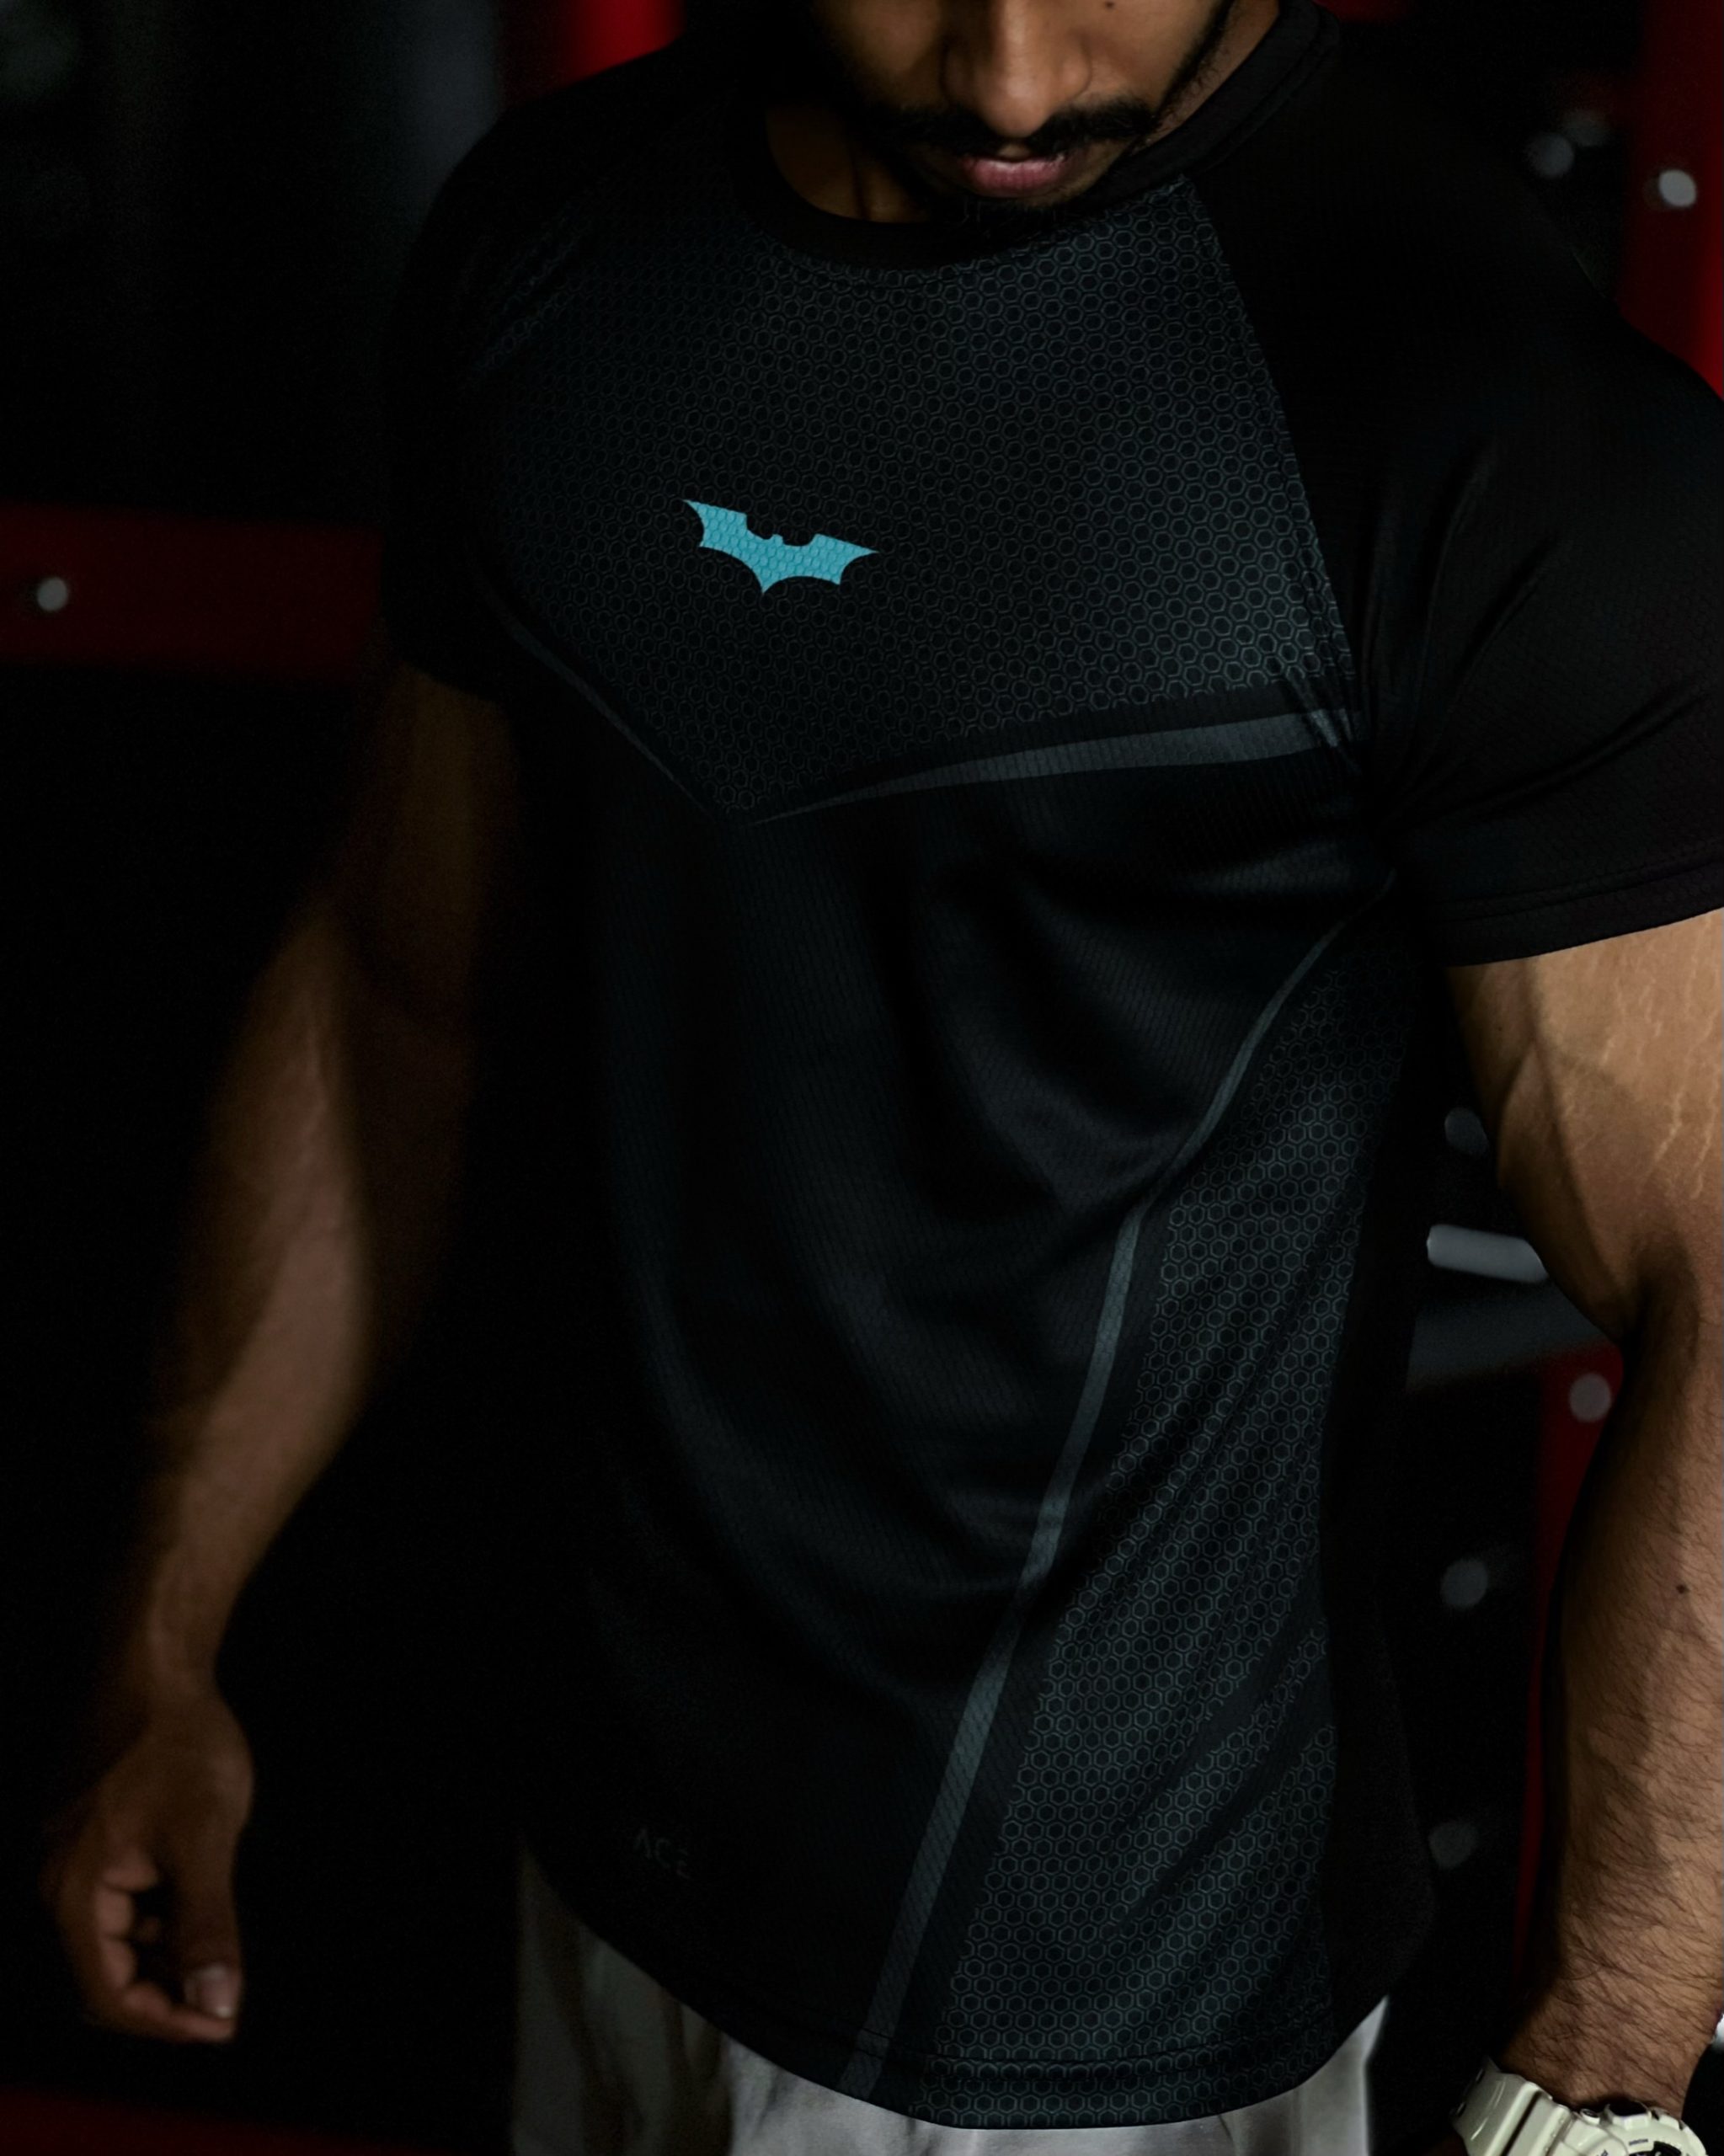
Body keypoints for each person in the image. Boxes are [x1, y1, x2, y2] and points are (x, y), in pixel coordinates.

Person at [41, 0, 1723, 2152]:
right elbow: (393, 977)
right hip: (599, 1851)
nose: (1011, 78)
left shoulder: (1480, 408)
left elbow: (1708, 1267)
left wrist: (1602, 2070)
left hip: (1095, 1999)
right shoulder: (558, 242)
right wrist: (160, 1633)